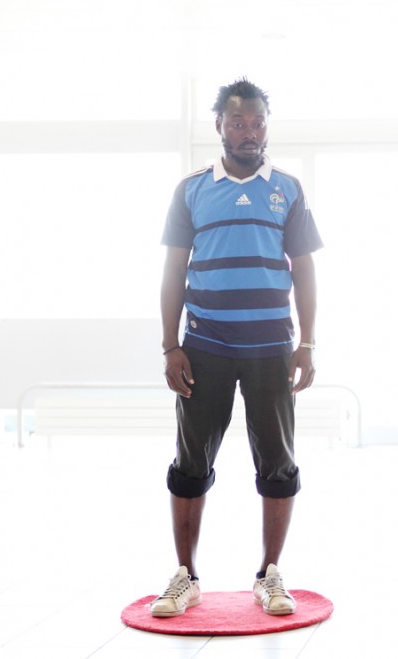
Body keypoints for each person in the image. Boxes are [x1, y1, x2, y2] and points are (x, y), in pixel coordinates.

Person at [149, 77, 323, 617]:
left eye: (257, 123)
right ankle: (186, 577)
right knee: (190, 461)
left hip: (272, 347)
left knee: (277, 462)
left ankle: (270, 575)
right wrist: (169, 346)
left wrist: (308, 341)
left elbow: (305, 269)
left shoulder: (288, 189)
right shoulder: (192, 189)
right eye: (238, 122)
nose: (248, 132)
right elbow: (174, 269)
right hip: (206, 347)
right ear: (219, 126)